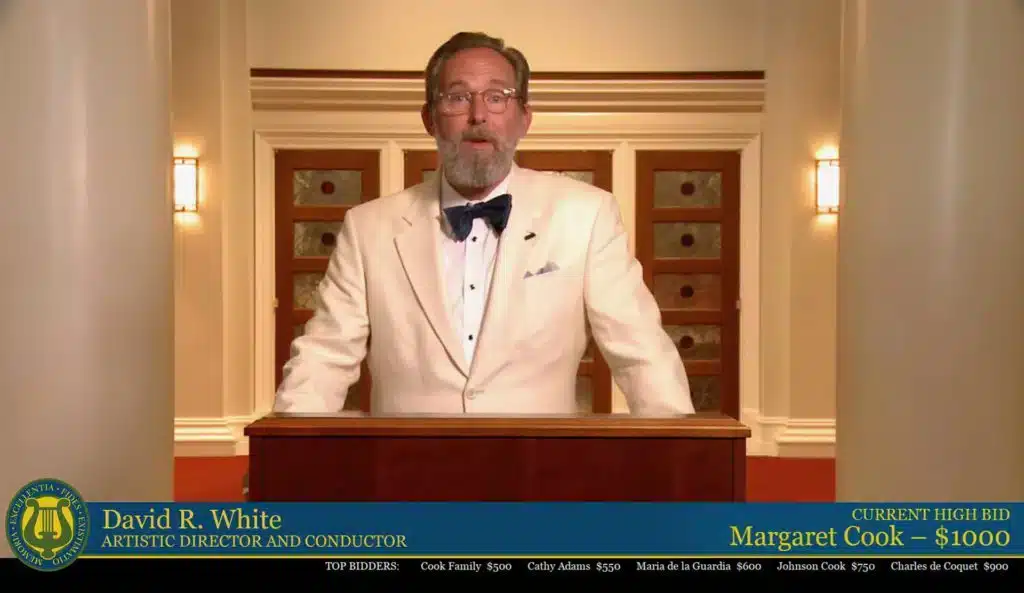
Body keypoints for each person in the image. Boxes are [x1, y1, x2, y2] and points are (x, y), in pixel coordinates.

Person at [273, 31, 694, 416]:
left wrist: (682, 454)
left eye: (497, 97)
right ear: (430, 119)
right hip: (407, 467)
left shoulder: (587, 215)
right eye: (457, 97)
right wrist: (286, 447)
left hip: (540, 466)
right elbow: (323, 357)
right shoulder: (368, 228)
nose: (478, 115)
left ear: (524, 117)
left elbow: (641, 354)